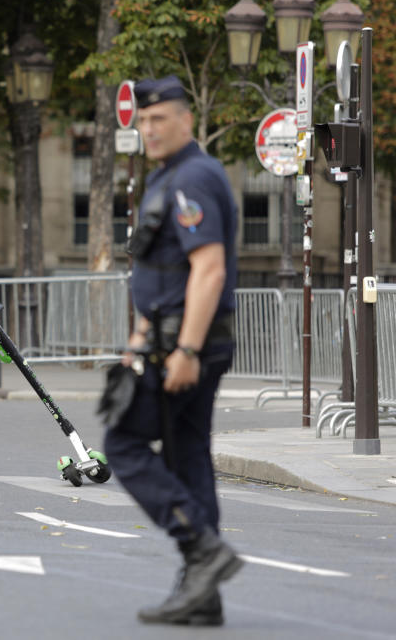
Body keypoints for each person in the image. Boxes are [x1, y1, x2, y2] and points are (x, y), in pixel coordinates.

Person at [103, 76, 242, 626]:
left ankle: (203, 551)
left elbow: (208, 268)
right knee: (186, 455)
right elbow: (158, 271)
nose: (149, 129)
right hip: (166, 342)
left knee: (123, 443)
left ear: (186, 118)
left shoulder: (193, 177)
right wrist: (137, 343)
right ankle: (202, 592)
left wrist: (186, 347)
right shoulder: (167, 177)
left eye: (159, 119)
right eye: (143, 121)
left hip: (187, 345)